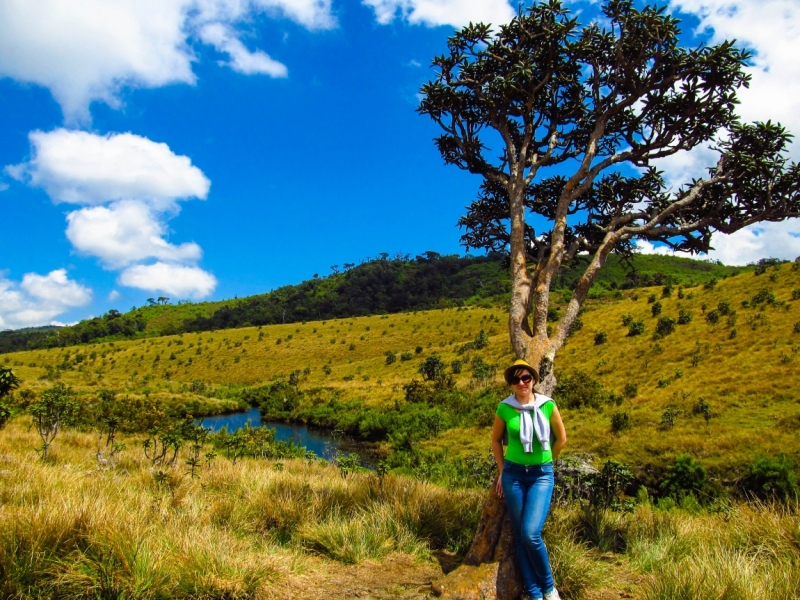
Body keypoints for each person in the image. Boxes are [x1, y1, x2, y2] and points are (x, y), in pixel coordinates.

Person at [491, 359, 567, 600]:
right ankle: (534, 594)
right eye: (516, 379)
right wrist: (503, 471)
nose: (521, 383)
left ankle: (549, 588)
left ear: (534, 380)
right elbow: (495, 441)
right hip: (513, 474)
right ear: (511, 384)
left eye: (526, 378)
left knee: (531, 533)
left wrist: (545, 462)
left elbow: (561, 438)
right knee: (520, 535)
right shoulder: (504, 408)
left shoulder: (547, 405)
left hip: (540, 476)